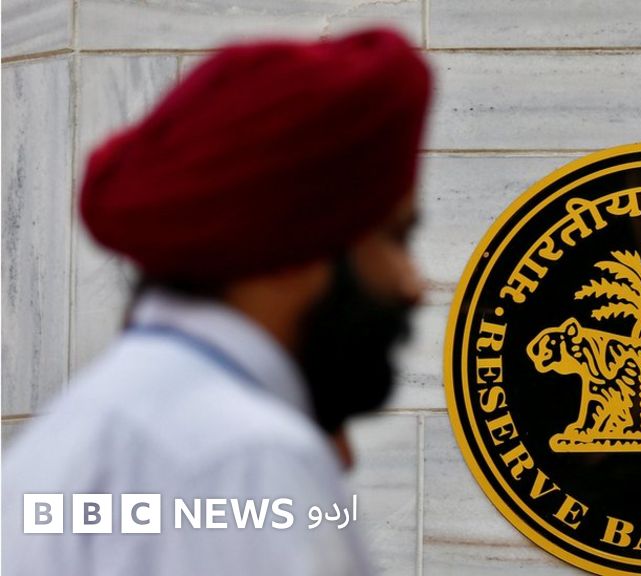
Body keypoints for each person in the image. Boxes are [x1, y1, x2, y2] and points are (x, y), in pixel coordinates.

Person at [2, 27, 431, 575]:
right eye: (395, 238)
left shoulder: (56, 443)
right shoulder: (245, 459)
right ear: (295, 248)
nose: (413, 284)